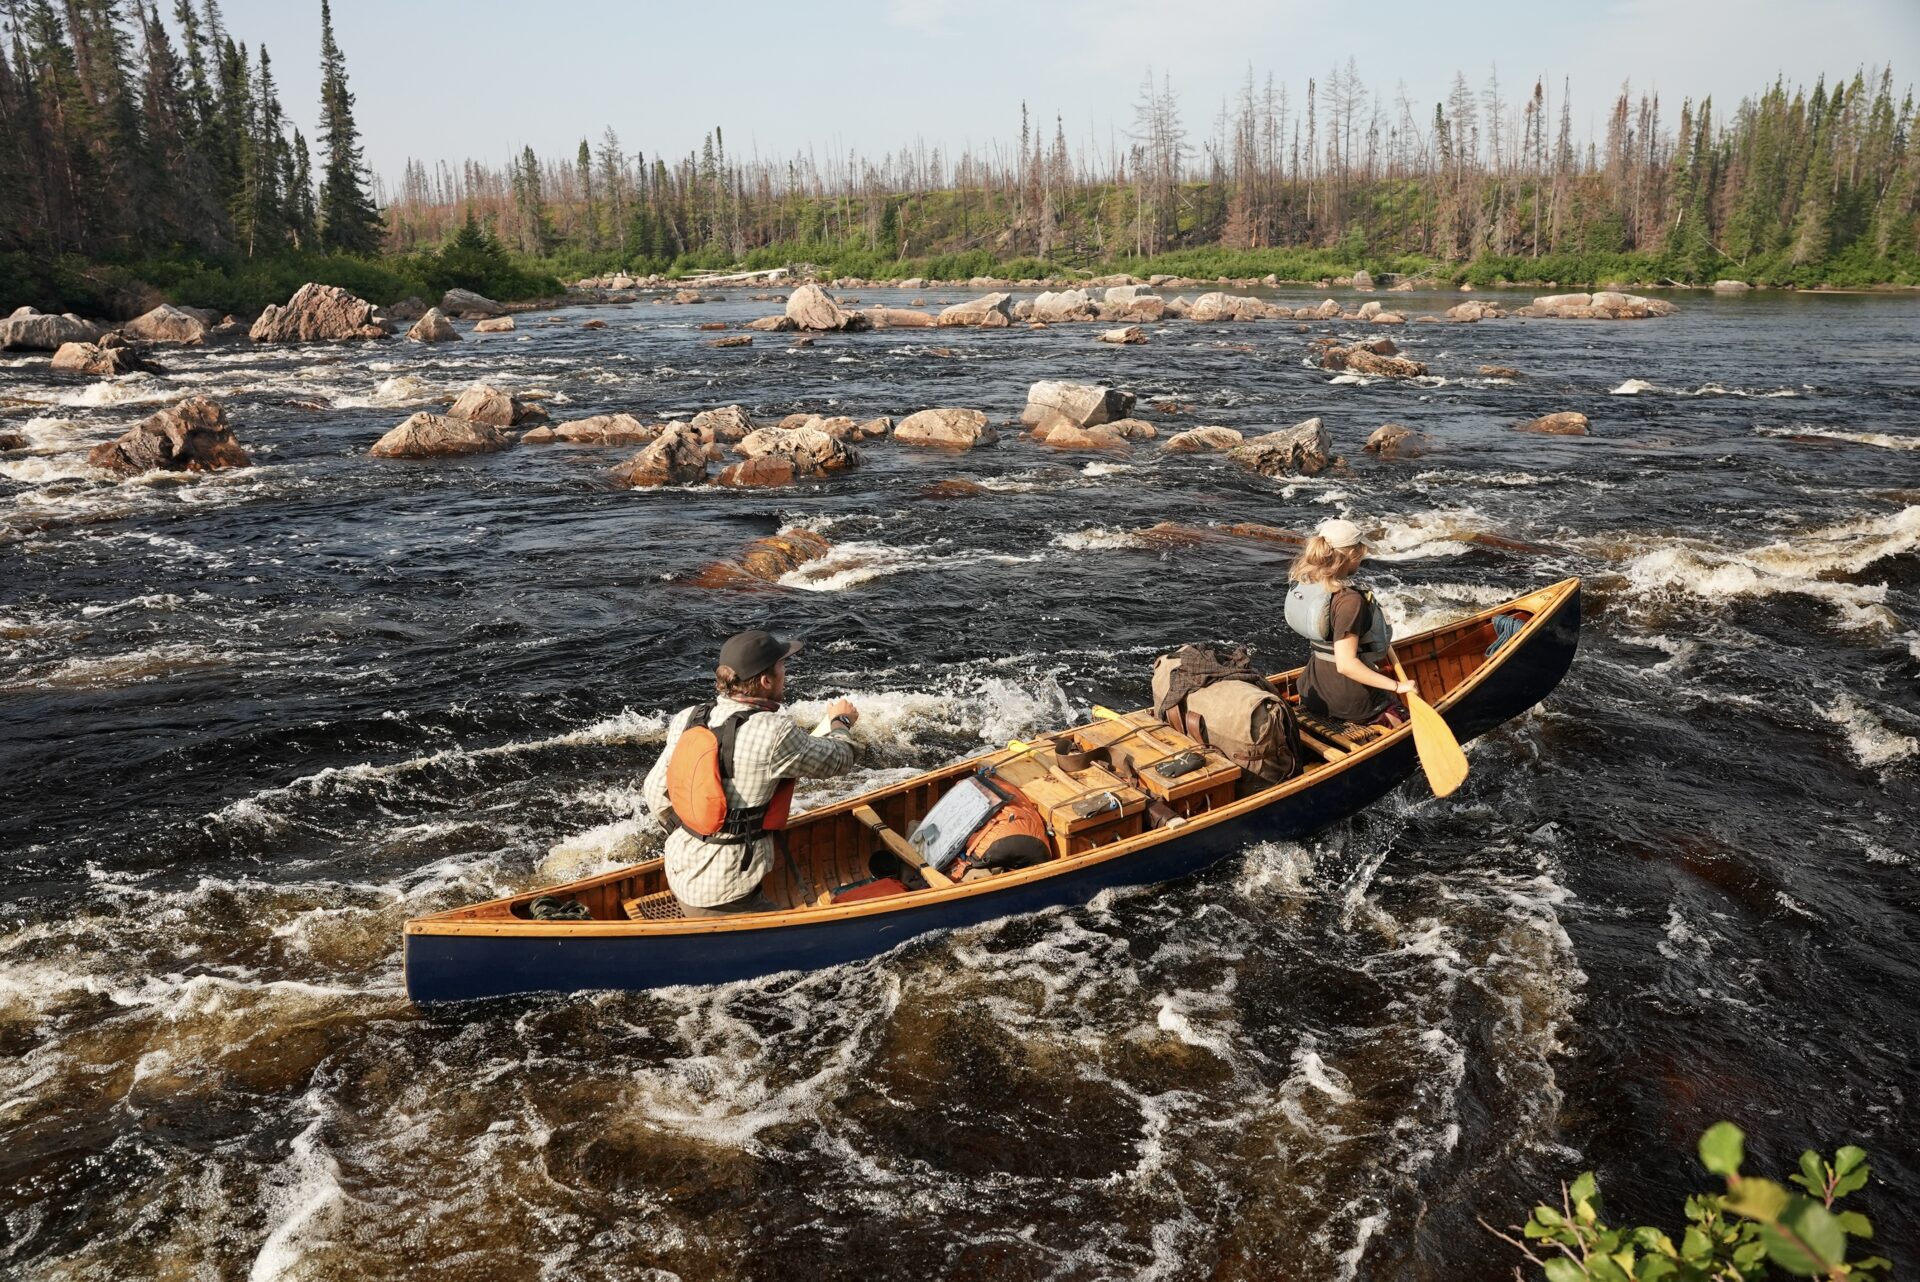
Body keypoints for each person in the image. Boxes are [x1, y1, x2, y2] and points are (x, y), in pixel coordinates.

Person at [642, 629, 860, 917]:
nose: (786, 672)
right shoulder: (774, 731)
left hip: (681, 868)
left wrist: (696, 836)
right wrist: (841, 722)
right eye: (783, 666)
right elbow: (840, 759)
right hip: (725, 895)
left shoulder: (689, 717)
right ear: (766, 680)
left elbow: (654, 790)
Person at [1283, 517, 1416, 728]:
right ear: (1352, 554)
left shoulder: (1307, 584)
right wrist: (1398, 686)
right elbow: (1346, 665)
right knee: (1404, 718)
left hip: (1312, 688)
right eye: (1361, 552)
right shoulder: (1349, 600)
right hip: (1350, 700)